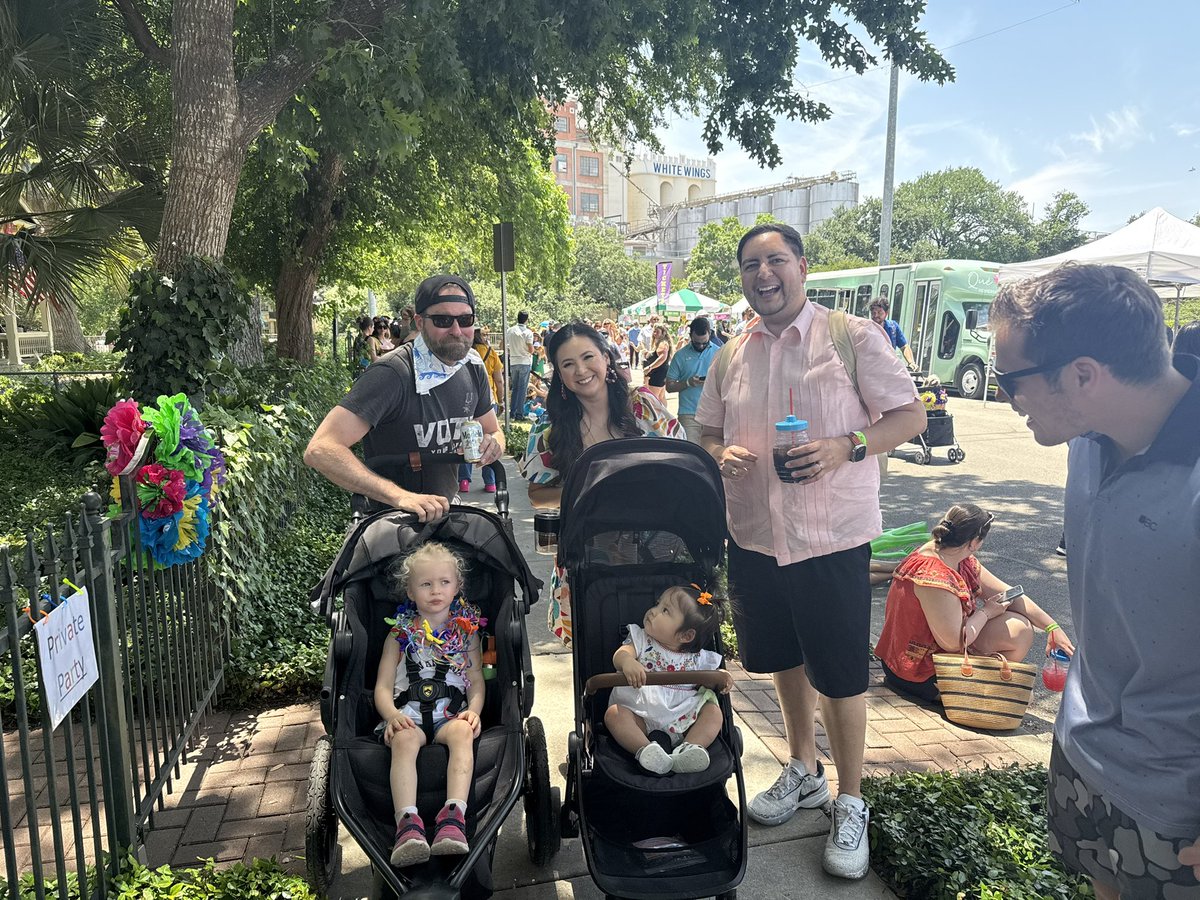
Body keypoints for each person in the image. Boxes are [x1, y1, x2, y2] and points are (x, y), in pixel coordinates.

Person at [696, 223, 925, 880]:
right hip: (755, 534)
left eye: (775, 261)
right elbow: (705, 427)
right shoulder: (731, 352)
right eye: (750, 265)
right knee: (781, 657)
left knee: (840, 670)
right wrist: (717, 454)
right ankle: (803, 769)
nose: (763, 274)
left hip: (830, 537)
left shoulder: (852, 337)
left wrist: (845, 446)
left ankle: (851, 800)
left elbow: (908, 416)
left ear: (801, 266)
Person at [990, 263, 1200, 899]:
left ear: (1083, 375)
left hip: (1175, 798)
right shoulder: (1089, 435)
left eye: (1010, 379)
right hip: (1082, 750)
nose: (1004, 396)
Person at [520, 322, 684, 644]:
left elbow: (681, 463)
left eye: (587, 357)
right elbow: (537, 494)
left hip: (657, 553)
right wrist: (597, 491)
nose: (581, 370)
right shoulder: (549, 427)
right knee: (593, 654)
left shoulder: (643, 407)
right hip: (586, 556)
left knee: (662, 654)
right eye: (568, 364)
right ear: (560, 374)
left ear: (606, 359)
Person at [304, 275, 504, 521]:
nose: (456, 330)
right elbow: (321, 449)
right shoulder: (393, 373)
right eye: (442, 320)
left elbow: (493, 431)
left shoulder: (472, 367)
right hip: (392, 524)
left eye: (465, 320)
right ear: (419, 322)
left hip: (445, 518)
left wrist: (494, 445)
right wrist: (400, 497)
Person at [874, 504, 1074, 704]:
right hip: (914, 670)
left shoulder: (954, 555)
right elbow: (953, 642)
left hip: (936, 653)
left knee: (1019, 628)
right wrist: (986, 612)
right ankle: (971, 691)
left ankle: (978, 685)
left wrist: (1052, 627)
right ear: (975, 542)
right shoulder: (934, 575)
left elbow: (1010, 594)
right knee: (1020, 697)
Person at [373, 542, 484, 866]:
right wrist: (392, 715)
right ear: (410, 589)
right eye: (425, 583)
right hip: (408, 714)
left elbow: (476, 682)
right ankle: (408, 824)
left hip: (449, 714)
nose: (435, 590)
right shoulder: (398, 636)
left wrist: (474, 710)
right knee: (404, 740)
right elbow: (382, 687)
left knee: (463, 733)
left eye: (444, 582)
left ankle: (453, 817)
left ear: (457, 586)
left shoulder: (466, 635)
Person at [605, 585, 734, 775]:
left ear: (686, 635)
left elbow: (711, 680)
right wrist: (627, 662)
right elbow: (621, 654)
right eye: (658, 604)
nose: (653, 611)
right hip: (641, 714)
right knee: (614, 714)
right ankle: (646, 751)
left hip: (682, 719)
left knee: (713, 713)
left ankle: (689, 750)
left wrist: (722, 678)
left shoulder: (698, 658)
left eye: (665, 610)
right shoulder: (641, 639)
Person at [458, 328, 505, 494]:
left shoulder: (464, 353)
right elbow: (499, 378)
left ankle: (464, 480)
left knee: (465, 440)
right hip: (487, 398)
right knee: (489, 441)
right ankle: (490, 482)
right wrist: (501, 400)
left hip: (465, 399)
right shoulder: (490, 352)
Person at [666, 316, 720, 443]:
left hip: (714, 412)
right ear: (690, 335)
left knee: (713, 455)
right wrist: (688, 383)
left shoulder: (719, 353)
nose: (701, 346)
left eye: (704, 343)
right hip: (689, 414)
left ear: (710, 334)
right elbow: (669, 387)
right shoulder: (680, 355)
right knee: (691, 455)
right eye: (697, 343)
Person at [869, 297, 916, 369]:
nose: (876, 316)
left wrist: (911, 363)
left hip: (889, 368)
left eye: (879, 312)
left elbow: (904, 347)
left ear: (886, 313)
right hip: (871, 367)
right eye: (873, 313)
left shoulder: (893, 327)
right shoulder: (866, 328)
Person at [505, 311, 535, 417]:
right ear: (526, 319)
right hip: (524, 361)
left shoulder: (510, 330)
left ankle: (512, 411)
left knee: (515, 388)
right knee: (522, 388)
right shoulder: (528, 332)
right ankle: (519, 413)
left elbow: (503, 345)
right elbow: (531, 350)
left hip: (513, 361)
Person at [641, 324, 672, 403]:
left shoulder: (663, 344)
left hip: (658, 373)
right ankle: (662, 414)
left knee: (653, 397)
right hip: (661, 372)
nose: (655, 333)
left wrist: (649, 367)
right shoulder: (660, 343)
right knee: (661, 397)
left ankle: (657, 414)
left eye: (657, 332)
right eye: (654, 331)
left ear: (663, 333)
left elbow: (662, 358)